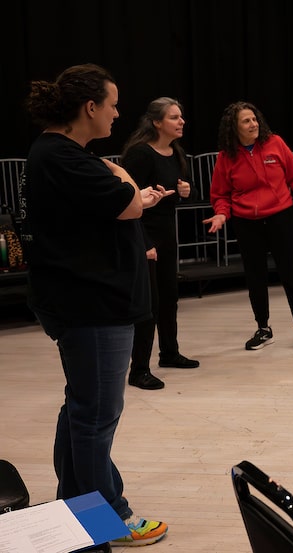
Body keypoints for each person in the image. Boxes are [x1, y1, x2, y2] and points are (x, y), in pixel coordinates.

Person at [21, 63, 170, 546]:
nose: (117, 113)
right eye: (112, 104)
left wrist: (119, 181)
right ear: (90, 107)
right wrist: (123, 174)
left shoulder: (66, 155)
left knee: (83, 411)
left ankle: (75, 507)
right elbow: (127, 202)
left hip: (93, 304)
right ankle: (106, 518)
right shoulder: (62, 156)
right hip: (91, 307)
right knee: (95, 416)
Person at [203, 101, 293, 352]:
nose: (253, 124)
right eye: (246, 121)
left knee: (290, 273)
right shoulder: (226, 156)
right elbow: (220, 194)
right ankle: (263, 328)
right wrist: (221, 214)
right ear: (234, 127)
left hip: (279, 216)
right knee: (256, 277)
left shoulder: (275, 143)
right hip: (246, 222)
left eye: (254, 119)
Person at [121, 97, 199, 391]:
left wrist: (185, 190)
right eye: (174, 117)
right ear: (157, 122)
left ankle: (169, 352)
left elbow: (174, 194)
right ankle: (139, 369)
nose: (181, 122)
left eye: (181, 117)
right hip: (143, 234)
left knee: (170, 297)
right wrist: (143, 242)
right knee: (149, 305)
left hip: (167, 233)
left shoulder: (175, 152)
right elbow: (128, 198)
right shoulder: (140, 154)